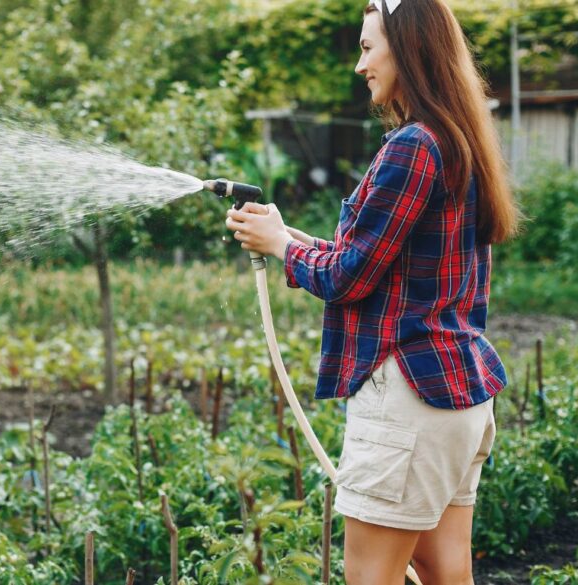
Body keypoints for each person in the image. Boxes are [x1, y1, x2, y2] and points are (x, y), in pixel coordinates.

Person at [224, 0, 524, 583]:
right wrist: (284, 236)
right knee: (446, 575)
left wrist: (283, 248)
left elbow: (348, 278)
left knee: (369, 577)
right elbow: (378, 263)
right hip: (456, 397)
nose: (360, 66)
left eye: (367, 48)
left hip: (409, 399)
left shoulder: (412, 146)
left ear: (409, 50)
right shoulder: (456, 138)